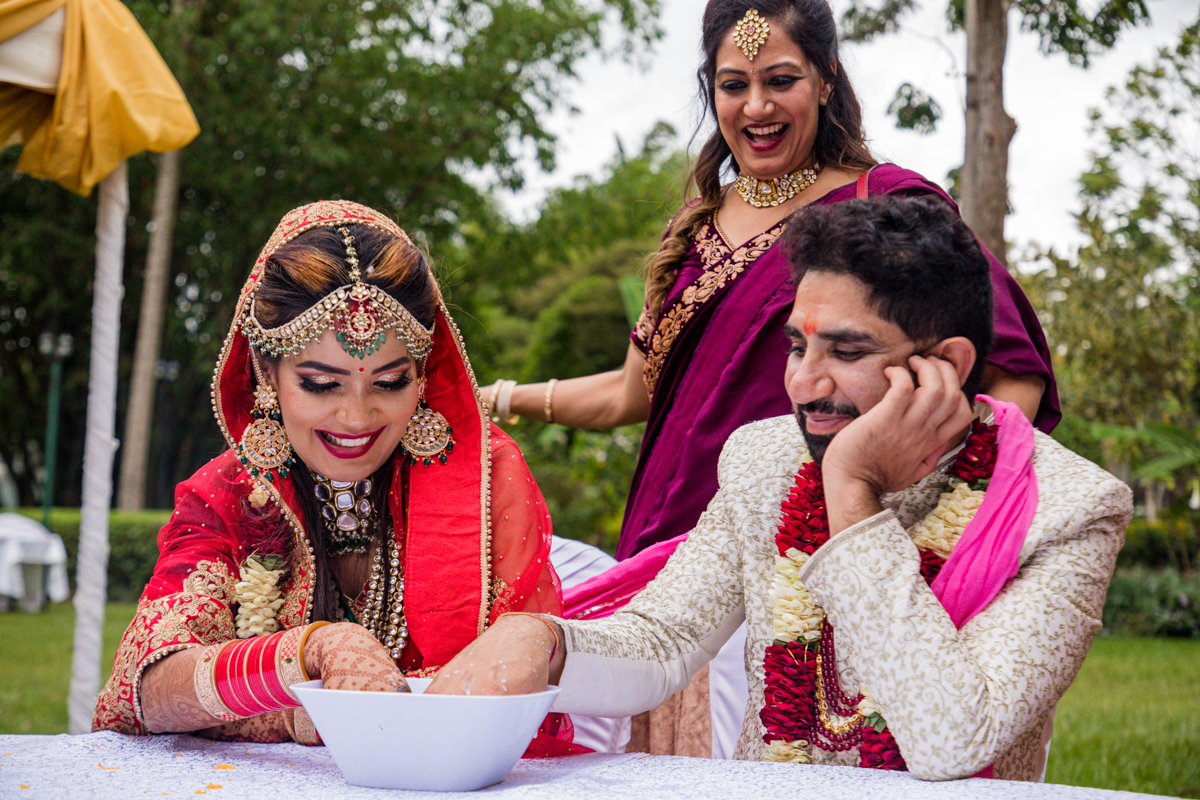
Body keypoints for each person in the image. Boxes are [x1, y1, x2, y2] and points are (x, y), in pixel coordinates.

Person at [486, 0, 1061, 758]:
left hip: (806, 551)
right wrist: (494, 400)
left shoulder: (884, 205)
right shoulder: (695, 226)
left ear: (826, 81)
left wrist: (911, 522)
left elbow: (1009, 377)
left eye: (780, 79)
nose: (755, 106)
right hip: (669, 558)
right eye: (732, 85)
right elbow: (633, 394)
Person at [427, 195, 1132, 783]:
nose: (802, 383)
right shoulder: (766, 459)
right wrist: (543, 644)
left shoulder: (1069, 509)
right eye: (799, 346)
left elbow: (953, 739)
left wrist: (850, 489)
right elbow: (662, 640)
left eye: (846, 352)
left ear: (944, 364)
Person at [93, 201, 573, 752]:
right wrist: (311, 655)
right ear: (266, 371)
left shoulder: (487, 483)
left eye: (390, 382)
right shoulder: (228, 494)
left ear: (423, 373)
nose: (356, 417)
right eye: (322, 384)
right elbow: (142, 688)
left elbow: (532, 689)